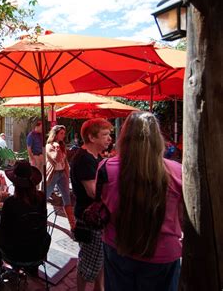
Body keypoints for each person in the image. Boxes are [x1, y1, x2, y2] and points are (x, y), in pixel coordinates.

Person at [101, 112, 183, 291]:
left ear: (124, 137)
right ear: (157, 138)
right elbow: (184, 218)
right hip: (162, 255)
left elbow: (102, 203)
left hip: (118, 247)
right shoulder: (179, 172)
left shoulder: (106, 167)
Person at [0, 161, 51, 287]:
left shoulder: (11, 202)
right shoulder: (41, 198)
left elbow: (4, 229)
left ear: (16, 183)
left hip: (14, 253)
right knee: (29, 234)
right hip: (38, 250)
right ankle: (32, 269)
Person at [70, 118, 113, 291]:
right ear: (91, 137)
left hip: (94, 217)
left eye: (109, 134)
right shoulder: (84, 159)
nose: (109, 138)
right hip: (89, 218)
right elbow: (93, 192)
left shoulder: (93, 156)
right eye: (105, 135)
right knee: (88, 263)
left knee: (99, 259)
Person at [45, 125, 75, 230]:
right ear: (55, 134)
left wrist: (68, 171)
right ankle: (39, 217)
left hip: (62, 174)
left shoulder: (62, 145)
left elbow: (64, 160)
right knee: (45, 196)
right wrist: (57, 148)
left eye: (63, 133)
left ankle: (73, 225)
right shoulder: (49, 146)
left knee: (67, 198)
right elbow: (56, 159)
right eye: (61, 133)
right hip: (53, 174)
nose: (63, 135)